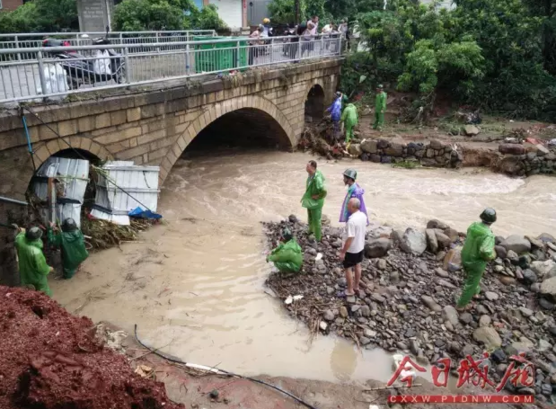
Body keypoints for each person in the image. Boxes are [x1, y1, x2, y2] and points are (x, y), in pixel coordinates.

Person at [456, 208, 497, 311]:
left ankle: (475, 292)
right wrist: (492, 255)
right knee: (471, 283)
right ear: (493, 220)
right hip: (476, 262)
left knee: (470, 277)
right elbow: (485, 251)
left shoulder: (473, 225)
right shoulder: (488, 234)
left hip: (465, 255)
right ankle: (461, 305)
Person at [339, 198, 367, 297]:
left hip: (352, 249)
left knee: (348, 268)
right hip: (360, 246)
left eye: (348, 204)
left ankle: (350, 290)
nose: (347, 206)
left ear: (353, 207)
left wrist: (343, 252)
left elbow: (350, 238)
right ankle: (356, 286)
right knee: (358, 265)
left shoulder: (351, 221)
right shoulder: (363, 215)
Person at [15, 226, 54, 296]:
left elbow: (18, 238)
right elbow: (41, 268)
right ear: (38, 238)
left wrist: (22, 232)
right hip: (37, 276)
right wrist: (49, 269)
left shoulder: (21, 243)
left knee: (30, 291)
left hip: (26, 274)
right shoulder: (36, 252)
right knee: (43, 290)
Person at [301, 160, 327, 242]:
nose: (306, 168)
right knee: (310, 217)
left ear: (312, 168)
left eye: (307, 166)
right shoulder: (310, 174)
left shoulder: (317, 179)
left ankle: (318, 238)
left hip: (316, 202)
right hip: (310, 200)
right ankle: (310, 231)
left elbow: (324, 191)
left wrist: (318, 196)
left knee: (317, 219)